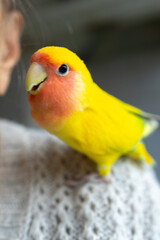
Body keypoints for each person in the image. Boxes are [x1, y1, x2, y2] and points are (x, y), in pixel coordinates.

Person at [0, 1, 160, 239]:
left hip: (120, 145)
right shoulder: (43, 110)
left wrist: (101, 173)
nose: (37, 72)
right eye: (37, 65)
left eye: (62, 70)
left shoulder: (127, 198)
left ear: (10, 44)